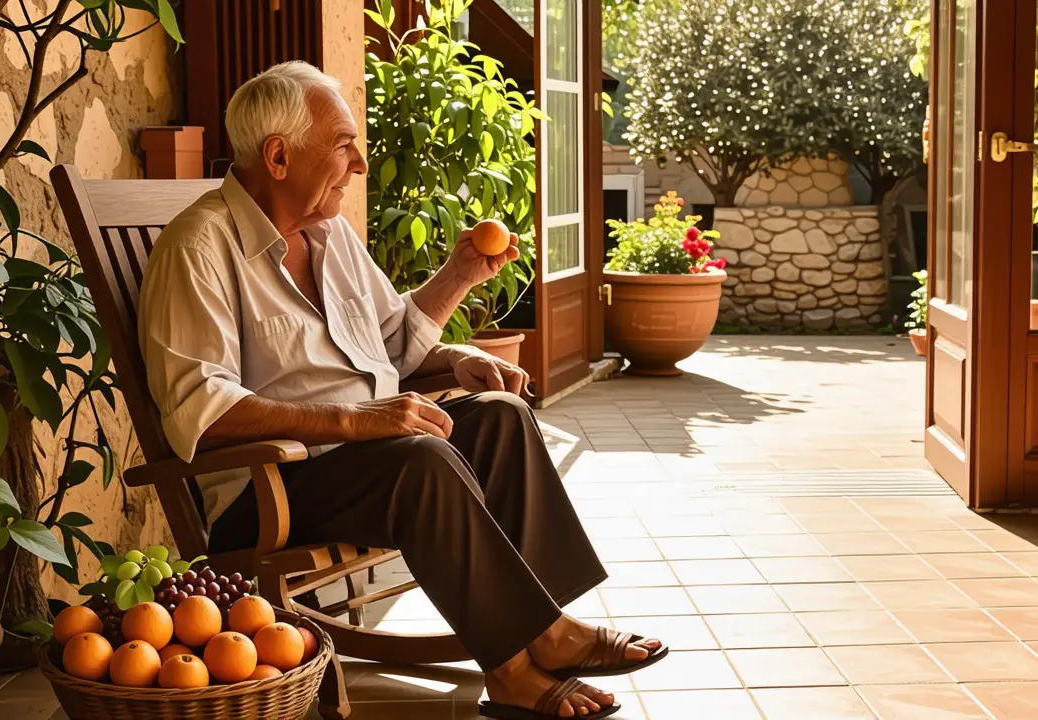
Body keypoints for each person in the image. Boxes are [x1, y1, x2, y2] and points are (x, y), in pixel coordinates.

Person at [138, 61, 665, 720]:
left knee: (499, 417)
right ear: (278, 157)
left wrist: (458, 297)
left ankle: (543, 628)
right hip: (271, 484)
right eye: (343, 146)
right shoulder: (199, 248)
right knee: (423, 459)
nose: (358, 164)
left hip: (361, 459)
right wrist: (355, 424)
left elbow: (389, 342)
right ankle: (518, 660)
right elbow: (201, 410)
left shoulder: (330, 234)